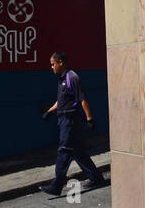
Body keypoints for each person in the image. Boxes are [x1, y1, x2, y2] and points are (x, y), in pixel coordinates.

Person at [38, 52, 106, 195]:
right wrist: (49, 112)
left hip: (70, 121)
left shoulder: (72, 77)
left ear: (61, 62)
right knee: (78, 152)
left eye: (53, 64)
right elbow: (61, 101)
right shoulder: (62, 79)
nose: (51, 67)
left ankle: (56, 185)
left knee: (63, 151)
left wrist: (89, 119)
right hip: (63, 119)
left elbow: (83, 99)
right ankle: (96, 178)